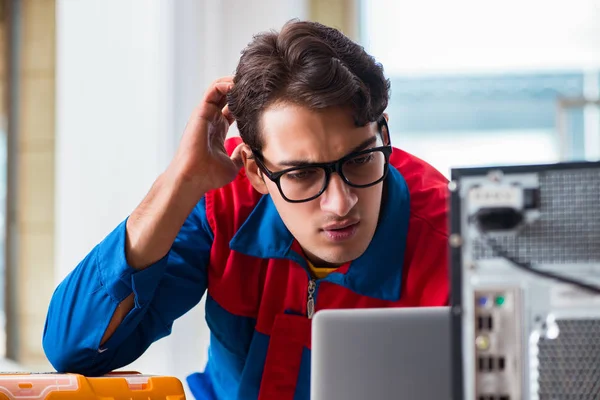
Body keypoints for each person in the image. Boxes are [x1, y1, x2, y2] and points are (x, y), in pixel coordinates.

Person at [43, 19, 449, 400]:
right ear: (255, 170)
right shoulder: (223, 203)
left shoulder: (456, 242)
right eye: (302, 174)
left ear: (384, 134)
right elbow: (75, 351)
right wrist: (178, 183)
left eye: (360, 160)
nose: (341, 203)